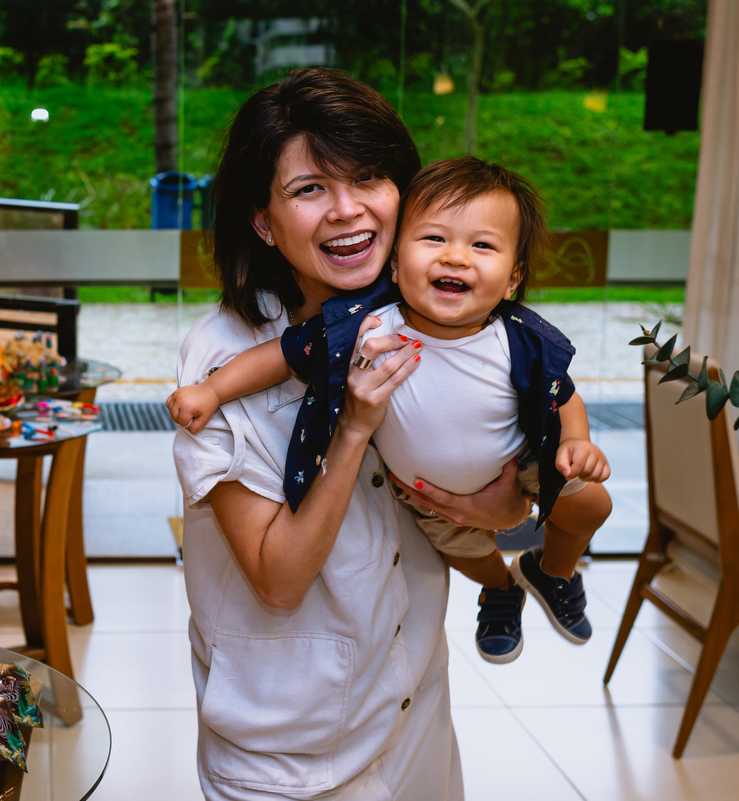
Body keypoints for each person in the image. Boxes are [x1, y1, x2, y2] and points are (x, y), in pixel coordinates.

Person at [172, 69, 531, 801]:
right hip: (290, 749)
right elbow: (278, 578)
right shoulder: (222, 357)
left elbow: (481, 516)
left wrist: (503, 513)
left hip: (412, 713)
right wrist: (355, 427)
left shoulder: (435, 321)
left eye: (368, 176)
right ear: (264, 220)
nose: (347, 210)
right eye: (309, 189)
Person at [169, 157, 614, 666]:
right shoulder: (368, 325)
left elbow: (562, 394)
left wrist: (575, 442)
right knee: (469, 556)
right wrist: (213, 390)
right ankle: (500, 590)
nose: (457, 258)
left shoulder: (519, 338)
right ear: (396, 265)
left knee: (593, 504)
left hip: (523, 462)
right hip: (424, 495)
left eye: (482, 246)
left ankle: (552, 571)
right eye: (434, 240)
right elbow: (283, 356)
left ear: (512, 279)